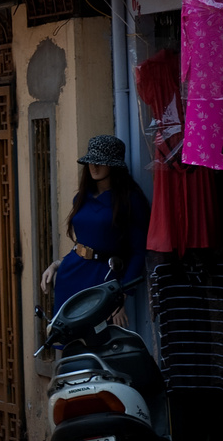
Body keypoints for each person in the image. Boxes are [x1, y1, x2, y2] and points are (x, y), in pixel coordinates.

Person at [39, 134, 151, 324]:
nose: (94, 166)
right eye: (90, 161)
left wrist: (120, 296)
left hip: (103, 282)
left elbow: (139, 252)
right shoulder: (82, 198)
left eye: (101, 162)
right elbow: (83, 243)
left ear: (114, 165)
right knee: (70, 344)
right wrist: (57, 264)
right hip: (70, 275)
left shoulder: (129, 200)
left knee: (98, 346)